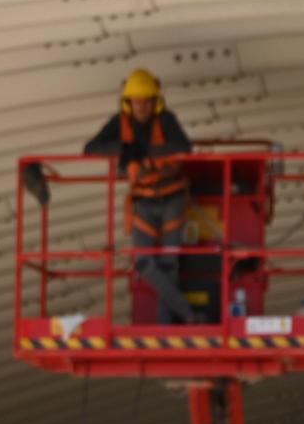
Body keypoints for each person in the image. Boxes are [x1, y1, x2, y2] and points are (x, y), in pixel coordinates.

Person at [81, 66, 212, 325]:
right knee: (143, 263)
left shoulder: (166, 120)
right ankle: (188, 314)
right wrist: (125, 148)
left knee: (168, 265)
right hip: (143, 203)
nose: (141, 107)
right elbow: (90, 149)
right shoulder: (120, 123)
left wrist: (145, 152)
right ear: (128, 103)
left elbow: (184, 147)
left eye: (146, 101)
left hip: (173, 200)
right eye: (136, 101)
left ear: (155, 101)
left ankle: (165, 328)